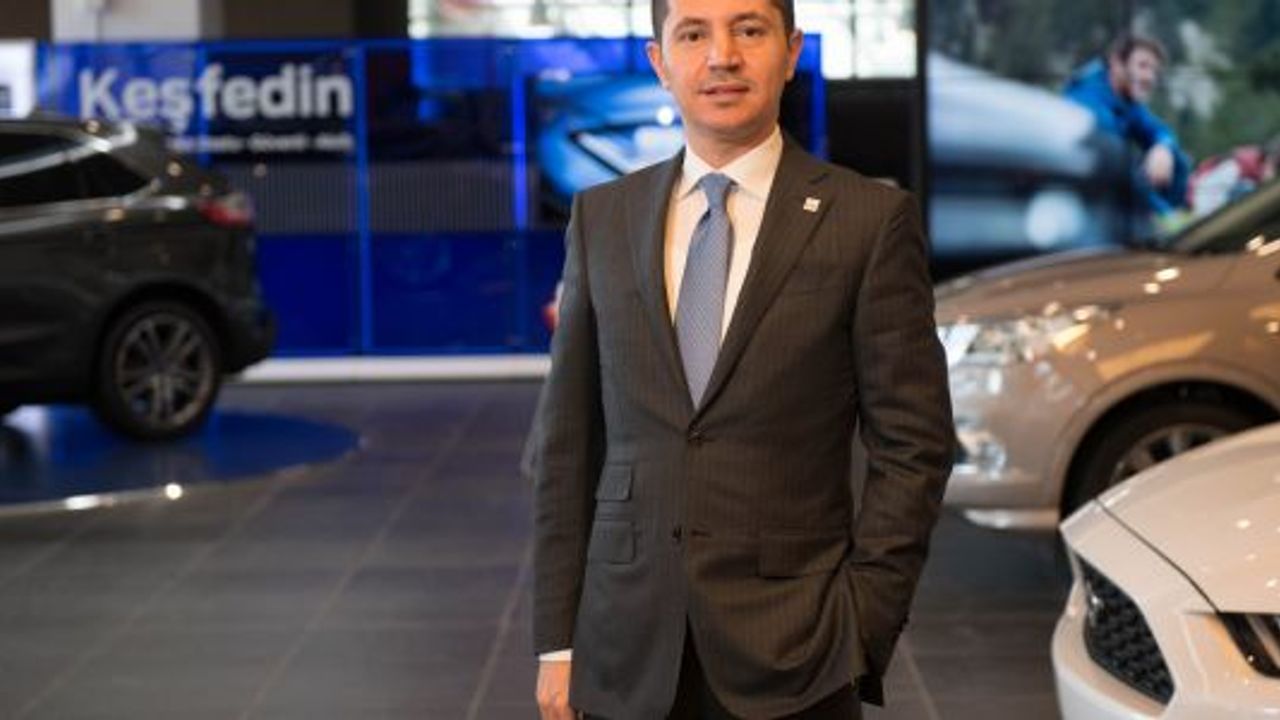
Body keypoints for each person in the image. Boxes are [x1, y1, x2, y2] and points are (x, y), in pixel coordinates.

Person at [526, 0, 955, 717]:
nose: (721, 55)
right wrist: (557, 642)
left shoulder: (867, 221)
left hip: (799, 654)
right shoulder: (603, 217)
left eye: (749, 30)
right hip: (621, 649)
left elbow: (915, 445)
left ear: (791, 51)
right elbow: (566, 445)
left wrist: (863, 624)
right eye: (693, 34)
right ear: (661, 62)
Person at [1064, 33, 1191, 217]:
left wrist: (1163, 148)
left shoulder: (1125, 97)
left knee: (1175, 159)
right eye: (1142, 66)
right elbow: (1117, 164)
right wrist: (1163, 214)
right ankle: (1165, 221)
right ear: (1117, 63)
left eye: (1154, 71)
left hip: (1115, 179)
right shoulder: (1087, 98)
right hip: (1081, 197)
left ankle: (1173, 218)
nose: (1150, 77)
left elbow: (1158, 130)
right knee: (1124, 164)